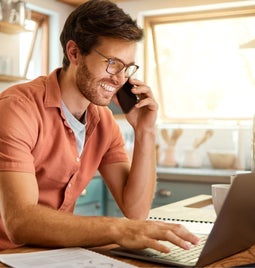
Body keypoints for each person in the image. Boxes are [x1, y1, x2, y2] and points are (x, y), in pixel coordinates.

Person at [0, 0, 199, 252]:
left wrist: (145, 131)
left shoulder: (103, 122)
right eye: (112, 63)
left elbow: (135, 210)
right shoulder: (17, 108)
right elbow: (20, 222)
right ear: (74, 53)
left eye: (126, 68)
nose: (119, 79)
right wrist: (120, 229)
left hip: (54, 255)